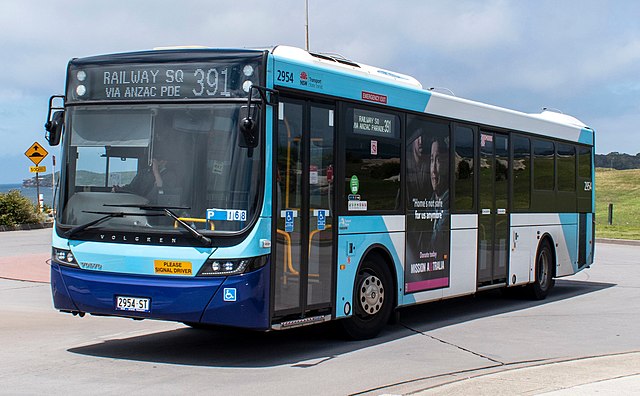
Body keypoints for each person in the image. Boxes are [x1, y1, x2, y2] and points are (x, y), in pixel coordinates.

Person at [113, 154, 177, 201]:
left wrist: (155, 170)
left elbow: (161, 188)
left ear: (165, 162)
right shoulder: (144, 173)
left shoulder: (171, 175)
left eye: (156, 161)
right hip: (138, 206)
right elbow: (132, 187)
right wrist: (119, 189)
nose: (153, 163)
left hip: (158, 209)